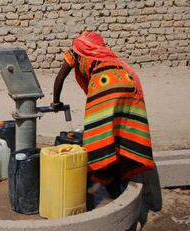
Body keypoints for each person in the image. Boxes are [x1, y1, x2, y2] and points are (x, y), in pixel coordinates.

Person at [51, 32, 158, 202]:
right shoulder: (102, 50)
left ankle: (110, 184)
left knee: (100, 137)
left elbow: (60, 76)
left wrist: (55, 101)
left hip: (104, 85)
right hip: (126, 81)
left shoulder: (76, 50)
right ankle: (121, 176)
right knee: (121, 133)